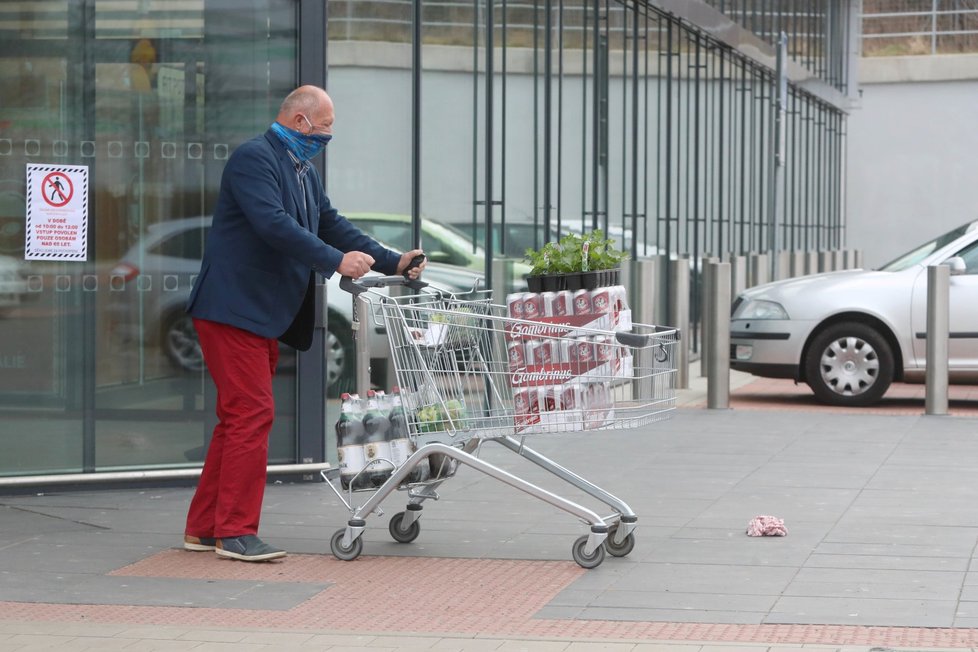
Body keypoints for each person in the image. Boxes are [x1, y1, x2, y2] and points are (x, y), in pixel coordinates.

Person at [181, 85, 426, 562]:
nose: (328, 136)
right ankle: (234, 533)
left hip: (259, 314)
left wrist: (393, 262)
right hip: (232, 309)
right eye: (325, 127)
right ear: (299, 121)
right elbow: (273, 224)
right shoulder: (255, 159)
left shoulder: (302, 171)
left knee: (238, 419)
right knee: (252, 415)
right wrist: (337, 261)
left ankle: (205, 527)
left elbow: (331, 223)